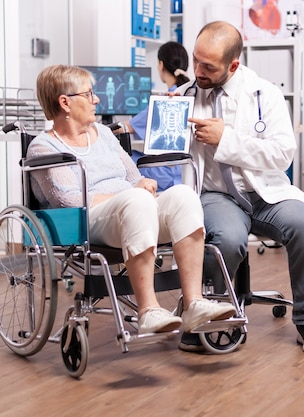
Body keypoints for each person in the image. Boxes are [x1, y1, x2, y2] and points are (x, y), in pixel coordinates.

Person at [28, 64, 236, 336]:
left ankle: (194, 302)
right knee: (136, 201)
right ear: (65, 103)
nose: (97, 100)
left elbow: (132, 174)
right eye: (89, 94)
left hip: (131, 210)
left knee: (183, 195)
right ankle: (148, 310)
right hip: (88, 221)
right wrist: (129, 193)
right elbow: (68, 199)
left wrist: (140, 185)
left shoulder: (102, 134)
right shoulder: (44, 147)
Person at [177, 21, 304, 356]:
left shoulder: (266, 95)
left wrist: (226, 140)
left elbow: (282, 154)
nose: (198, 71)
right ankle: (209, 318)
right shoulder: (184, 97)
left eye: (209, 66)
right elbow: (166, 156)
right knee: (228, 240)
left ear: (233, 65)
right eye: (196, 61)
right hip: (217, 195)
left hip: (266, 194)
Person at [113, 41, 190, 191]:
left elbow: (125, 128)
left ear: (161, 65)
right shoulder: (191, 93)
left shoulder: (166, 99)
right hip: (185, 172)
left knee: (122, 158)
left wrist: (99, 130)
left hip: (164, 174)